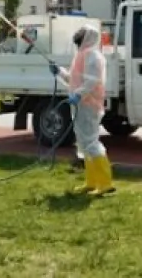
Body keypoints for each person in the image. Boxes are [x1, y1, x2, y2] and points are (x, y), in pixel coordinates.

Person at [49, 24, 115, 196]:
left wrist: (78, 94)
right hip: (80, 104)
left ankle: (106, 184)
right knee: (85, 143)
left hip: (89, 105)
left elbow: (92, 81)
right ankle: (92, 183)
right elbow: (74, 79)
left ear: (88, 37)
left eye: (81, 34)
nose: (77, 36)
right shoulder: (82, 55)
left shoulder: (93, 56)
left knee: (91, 142)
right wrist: (59, 72)